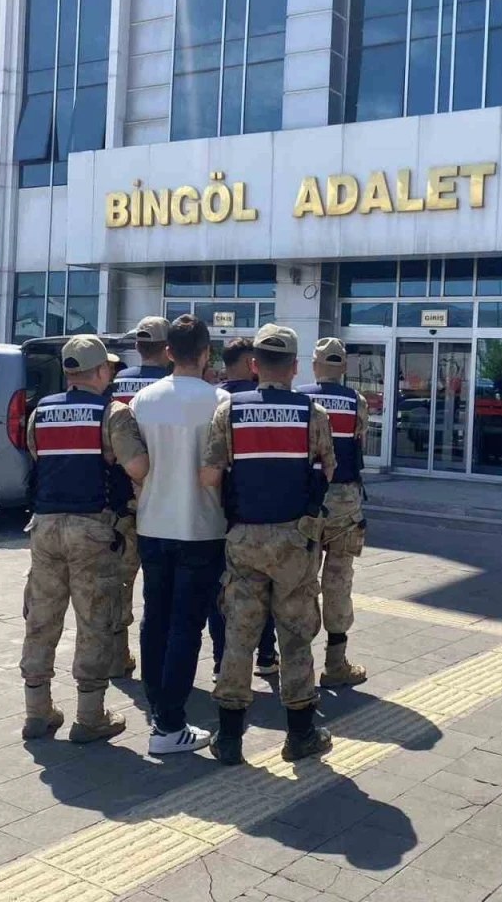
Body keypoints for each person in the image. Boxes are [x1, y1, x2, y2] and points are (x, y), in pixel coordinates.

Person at [200, 323, 336, 766]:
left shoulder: (229, 411)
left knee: (239, 635)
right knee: (295, 636)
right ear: (295, 367)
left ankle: (229, 739)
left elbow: (210, 475)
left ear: (255, 364)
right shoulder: (313, 413)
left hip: (243, 536)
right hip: (296, 539)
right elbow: (328, 471)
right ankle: (301, 735)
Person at [21, 336, 148, 744]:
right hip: (92, 528)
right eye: (108, 368)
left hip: (44, 527)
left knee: (41, 619)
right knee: (94, 620)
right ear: (100, 371)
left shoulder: (41, 411)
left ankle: (37, 712)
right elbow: (138, 468)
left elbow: (38, 458)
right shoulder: (113, 413)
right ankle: (90, 717)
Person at [128, 315, 227, 755]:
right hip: (203, 527)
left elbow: (134, 466)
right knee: (187, 625)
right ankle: (169, 724)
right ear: (206, 353)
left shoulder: (142, 400)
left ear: (168, 352)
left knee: (156, 619)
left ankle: (158, 711)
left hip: (152, 524)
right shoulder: (220, 401)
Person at [207, 335, 279, 680]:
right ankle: (265, 654)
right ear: (252, 363)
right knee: (265, 589)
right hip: (264, 512)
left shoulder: (216, 400)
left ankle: (222, 662)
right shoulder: (265, 400)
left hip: (219, 513)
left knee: (223, 591)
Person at [298, 338, 368, 687]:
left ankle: (298, 661)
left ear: (314, 365)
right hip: (345, 499)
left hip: (306, 499)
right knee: (339, 579)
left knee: (302, 578)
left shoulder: (299, 399)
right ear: (343, 368)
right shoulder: (357, 401)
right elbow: (358, 441)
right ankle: (336, 663)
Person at [106, 315, 172, 679]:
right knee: (162, 585)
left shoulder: (115, 383)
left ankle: (118, 655)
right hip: (164, 498)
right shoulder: (170, 386)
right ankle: (162, 659)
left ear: (136, 346)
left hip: (121, 499)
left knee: (121, 580)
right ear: (168, 349)